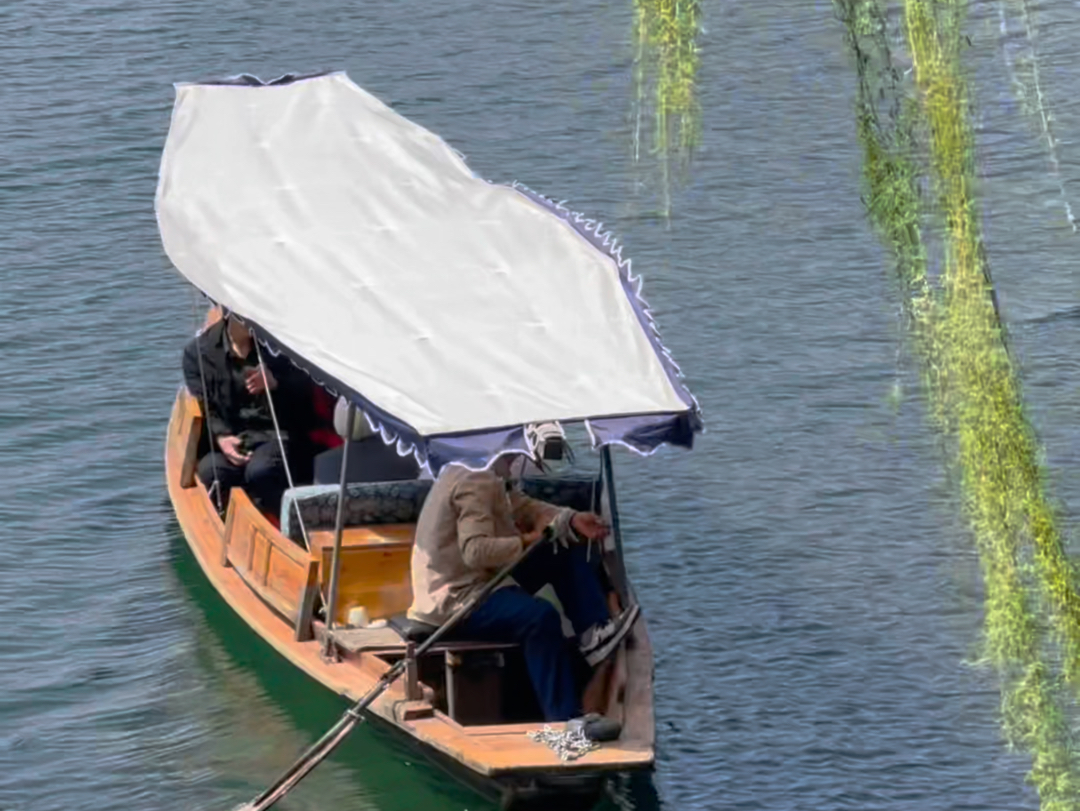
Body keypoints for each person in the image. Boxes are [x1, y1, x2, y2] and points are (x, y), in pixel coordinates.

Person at [407, 453, 639, 722]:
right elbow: (475, 551)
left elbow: (517, 505)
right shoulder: (475, 477)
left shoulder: (481, 467)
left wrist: (569, 519)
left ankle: (593, 637)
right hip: (454, 601)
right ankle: (564, 720)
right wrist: (528, 540)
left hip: (478, 581)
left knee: (560, 548)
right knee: (540, 618)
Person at [182, 312, 311, 517]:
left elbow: (308, 391)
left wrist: (275, 383)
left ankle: (285, 525)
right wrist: (222, 437)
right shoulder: (198, 353)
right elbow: (206, 405)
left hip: (275, 434)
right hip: (232, 436)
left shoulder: (280, 348)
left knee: (261, 470)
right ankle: (230, 524)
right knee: (212, 471)